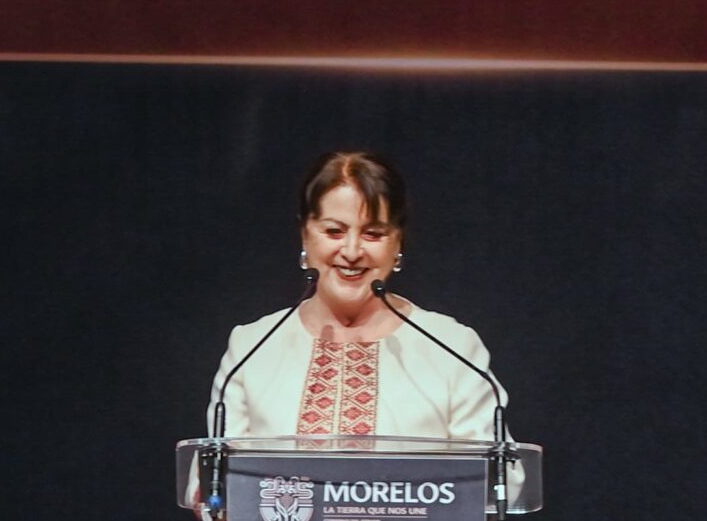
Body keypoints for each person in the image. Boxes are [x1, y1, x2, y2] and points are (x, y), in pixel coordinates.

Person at [206, 150, 506, 446]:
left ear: (398, 242)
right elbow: (212, 473)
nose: (351, 252)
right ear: (305, 235)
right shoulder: (251, 348)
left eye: (373, 234)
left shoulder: (453, 348)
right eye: (334, 231)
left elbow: (498, 472)